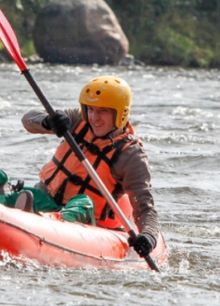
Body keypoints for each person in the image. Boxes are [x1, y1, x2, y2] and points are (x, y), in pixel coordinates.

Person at [20, 75, 160, 258]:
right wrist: (47, 120)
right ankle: (9, 205)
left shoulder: (131, 156)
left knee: (82, 203)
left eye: (103, 111)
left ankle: (45, 222)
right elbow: (28, 120)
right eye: (91, 109)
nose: (94, 118)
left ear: (121, 113)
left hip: (85, 219)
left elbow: (145, 208)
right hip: (47, 197)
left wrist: (148, 237)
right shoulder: (77, 119)